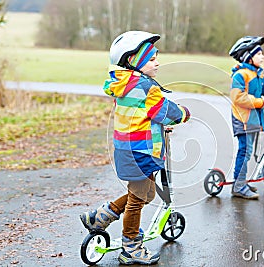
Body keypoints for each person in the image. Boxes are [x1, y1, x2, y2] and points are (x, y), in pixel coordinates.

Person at [79, 31, 190, 265]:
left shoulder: (124, 85)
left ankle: (100, 217)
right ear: (133, 61)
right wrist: (183, 113)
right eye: (151, 59)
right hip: (142, 150)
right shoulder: (146, 87)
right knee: (139, 198)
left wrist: (159, 126)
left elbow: (140, 115)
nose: (157, 63)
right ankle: (131, 246)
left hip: (127, 148)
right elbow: (165, 111)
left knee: (145, 193)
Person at [228, 36, 264, 199]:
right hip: (243, 119)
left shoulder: (258, 74)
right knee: (244, 152)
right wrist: (261, 101)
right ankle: (238, 186)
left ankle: (241, 182)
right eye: (259, 54)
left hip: (254, 120)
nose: (262, 57)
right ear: (248, 56)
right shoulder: (240, 75)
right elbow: (238, 97)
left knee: (247, 153)